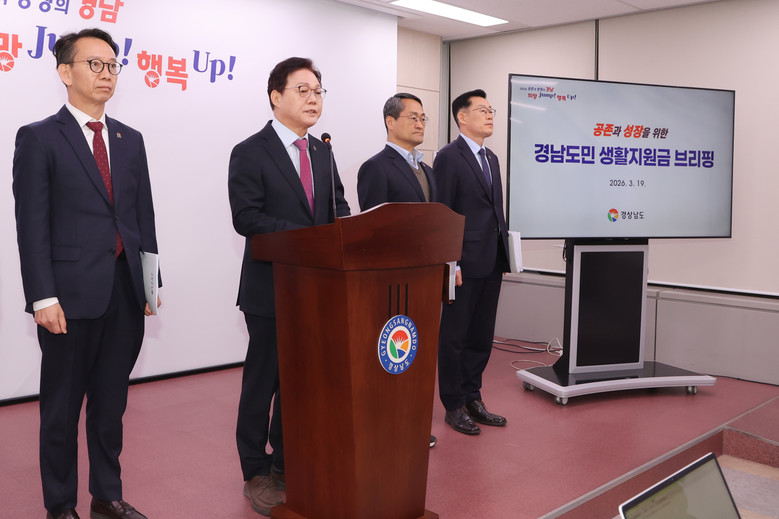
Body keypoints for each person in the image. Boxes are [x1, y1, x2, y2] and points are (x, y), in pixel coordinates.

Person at [12, 28, 160, 519]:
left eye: (112, 65)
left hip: (124, 291)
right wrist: (42, 296)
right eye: (95, 64)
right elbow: (31, 224)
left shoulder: (129, 139)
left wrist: (149, 284)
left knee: (111, 406)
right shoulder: (39, 137)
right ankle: (60, 506)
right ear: (65, 72)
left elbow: (142, 217)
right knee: (61, 410)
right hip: (68, 298)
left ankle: (106, 496)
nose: (106, 73)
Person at [227, 57, 351, 516]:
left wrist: (346, 233)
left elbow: (338, 208)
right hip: (270, 288)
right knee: (264, 381)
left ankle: (284, 461)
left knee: (301, 382)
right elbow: (247, 217)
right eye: (303, 90)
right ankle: (254, 470)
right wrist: (308, 239)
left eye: (318, 91)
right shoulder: (250, 150)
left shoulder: (322, 150)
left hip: (316, 291)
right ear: (276, 96)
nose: (314, 98)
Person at [357, 92, 437, 448]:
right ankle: (384, 425)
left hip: (423, 279)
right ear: (390, 122)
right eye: (412, 117)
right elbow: (373, 230)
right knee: (388, 356)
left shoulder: (427, 171)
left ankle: (412, 424)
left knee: (416, 356)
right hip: (389, 283)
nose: (420, 123)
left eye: (423, 118)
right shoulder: (376, 167)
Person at [433, 89, 510, 436]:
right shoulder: (449, 157)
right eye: (482, 110)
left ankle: (472, 396)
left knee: (481, 334)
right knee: (455, 335)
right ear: (462, 117)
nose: (490, 115)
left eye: (490, 110)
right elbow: (443, 213)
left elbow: (495, 211)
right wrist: (452, 263)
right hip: (463, 263)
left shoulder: (491, 158)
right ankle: (453, 404)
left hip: (492, 259)